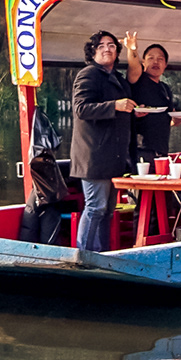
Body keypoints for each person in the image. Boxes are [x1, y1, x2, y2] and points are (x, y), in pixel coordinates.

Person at [69, 29, 135, 250]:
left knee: (107, 211)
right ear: (93, 51)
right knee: (95, 207)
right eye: (101, 46)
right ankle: (83, 256)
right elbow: (81, 109)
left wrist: (134, 111)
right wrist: (115, 105)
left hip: (113, 157)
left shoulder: (117, 78)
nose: (107, 49)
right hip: (93, 156)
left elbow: (124, 105)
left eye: (112, 45)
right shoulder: (88, 74)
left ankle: (103, 256)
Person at [127, 41, 181, 162]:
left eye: (160, 59)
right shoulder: (137, 80)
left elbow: (169, 121)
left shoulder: (165, 88)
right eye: (151, 58)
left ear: (165, 65)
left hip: (161, 151)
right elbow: (133, 66)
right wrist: (132, 49)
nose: (155, 62)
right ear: (143, 62)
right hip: (140, 150)